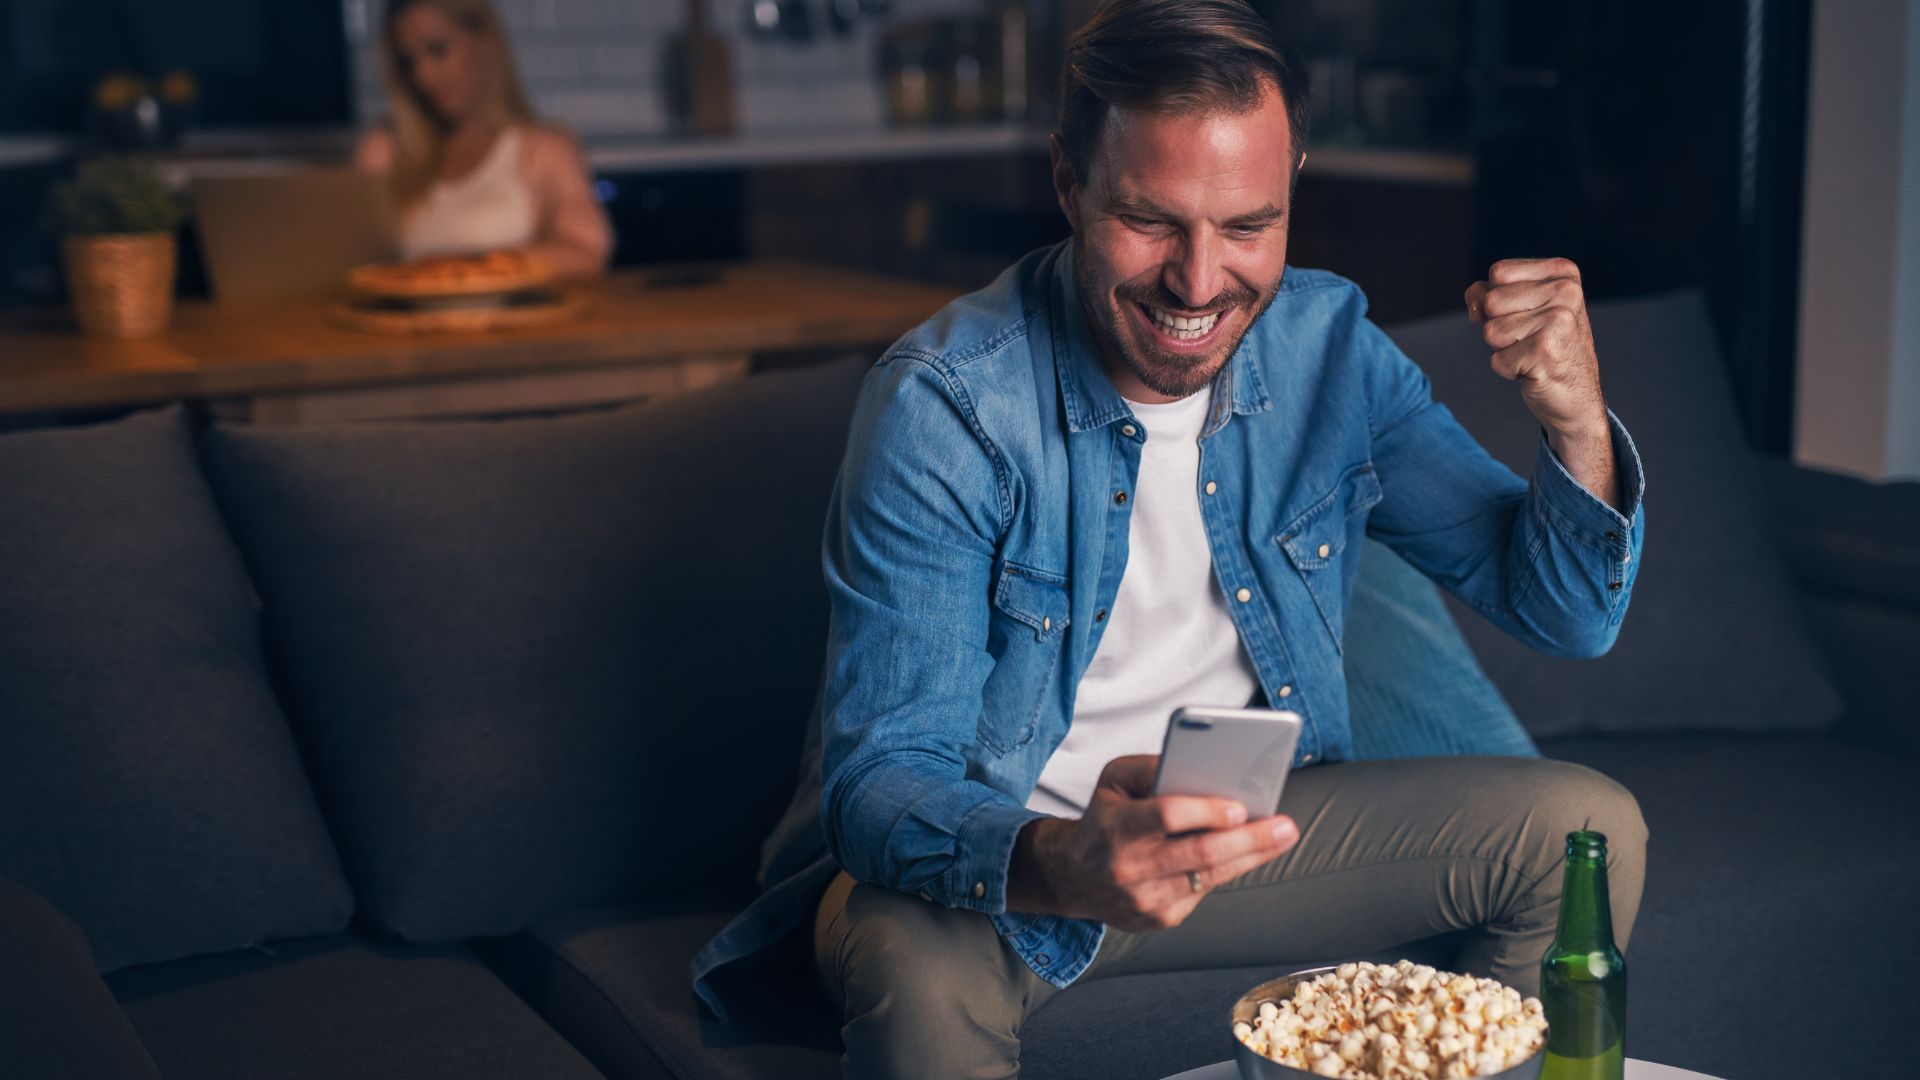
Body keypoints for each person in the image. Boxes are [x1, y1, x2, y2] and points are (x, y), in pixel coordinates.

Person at [692, 1, 1649, 1075]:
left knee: (1582, 832)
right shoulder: (947, 406)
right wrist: (1065, 864)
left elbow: (1564, 613)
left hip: (1246, 843)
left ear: (1293, 190)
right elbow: (881, 783)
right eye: (1151, 221)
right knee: (915, 975)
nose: (1199, 283)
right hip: (997, 868)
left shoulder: (1329, 351)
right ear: (1068, 182)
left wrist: (1573, 421)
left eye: (1248, 227)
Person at [354, 0, 612, 278]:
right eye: (408, 62)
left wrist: (472, 271)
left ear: (486, 41)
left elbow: (586, 252)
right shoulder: (385, 150)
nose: (422, 76)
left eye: (438, 50)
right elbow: (348, 258)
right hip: (409, 321)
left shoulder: (545, 149)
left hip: (518, 319)